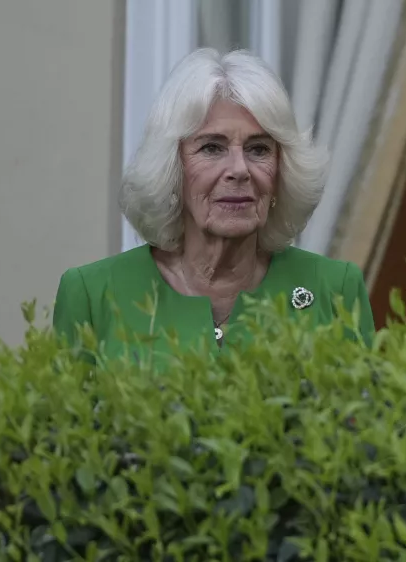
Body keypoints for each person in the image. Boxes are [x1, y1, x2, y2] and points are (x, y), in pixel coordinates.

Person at [53, 48, 374, 360]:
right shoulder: (91, 296)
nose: (239, 169)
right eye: (211, 148)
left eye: (259, 149)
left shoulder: (335, 290)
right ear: (173, 168)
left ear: (281, 170)